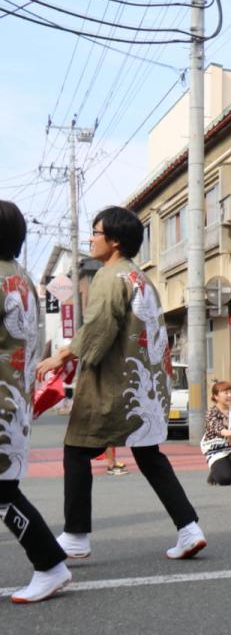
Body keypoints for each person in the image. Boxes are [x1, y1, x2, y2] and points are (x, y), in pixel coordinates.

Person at [36, 205, 206, 560]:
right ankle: (189, 528)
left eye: (96, 233)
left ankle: (76, 534)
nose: (91, 239)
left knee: (76, 448)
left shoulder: (109, 277)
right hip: (146, 386)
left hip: (115, 388)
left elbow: (98, 328)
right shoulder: (140, 278)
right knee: (150, 457)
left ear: (113, 241)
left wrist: (62, 356)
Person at [0, 199, 71, 603]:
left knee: (4, 495)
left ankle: (50, 564)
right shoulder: (24, 280)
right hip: (14, 404)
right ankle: (50, 564)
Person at [201, 380, 231, 485]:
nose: (230, 395)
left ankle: (229, 471)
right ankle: (215, 472)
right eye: (226, 393)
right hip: (215, 451)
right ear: (216, 396)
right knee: (225, 479)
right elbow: (222, 431)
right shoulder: (211, 412)